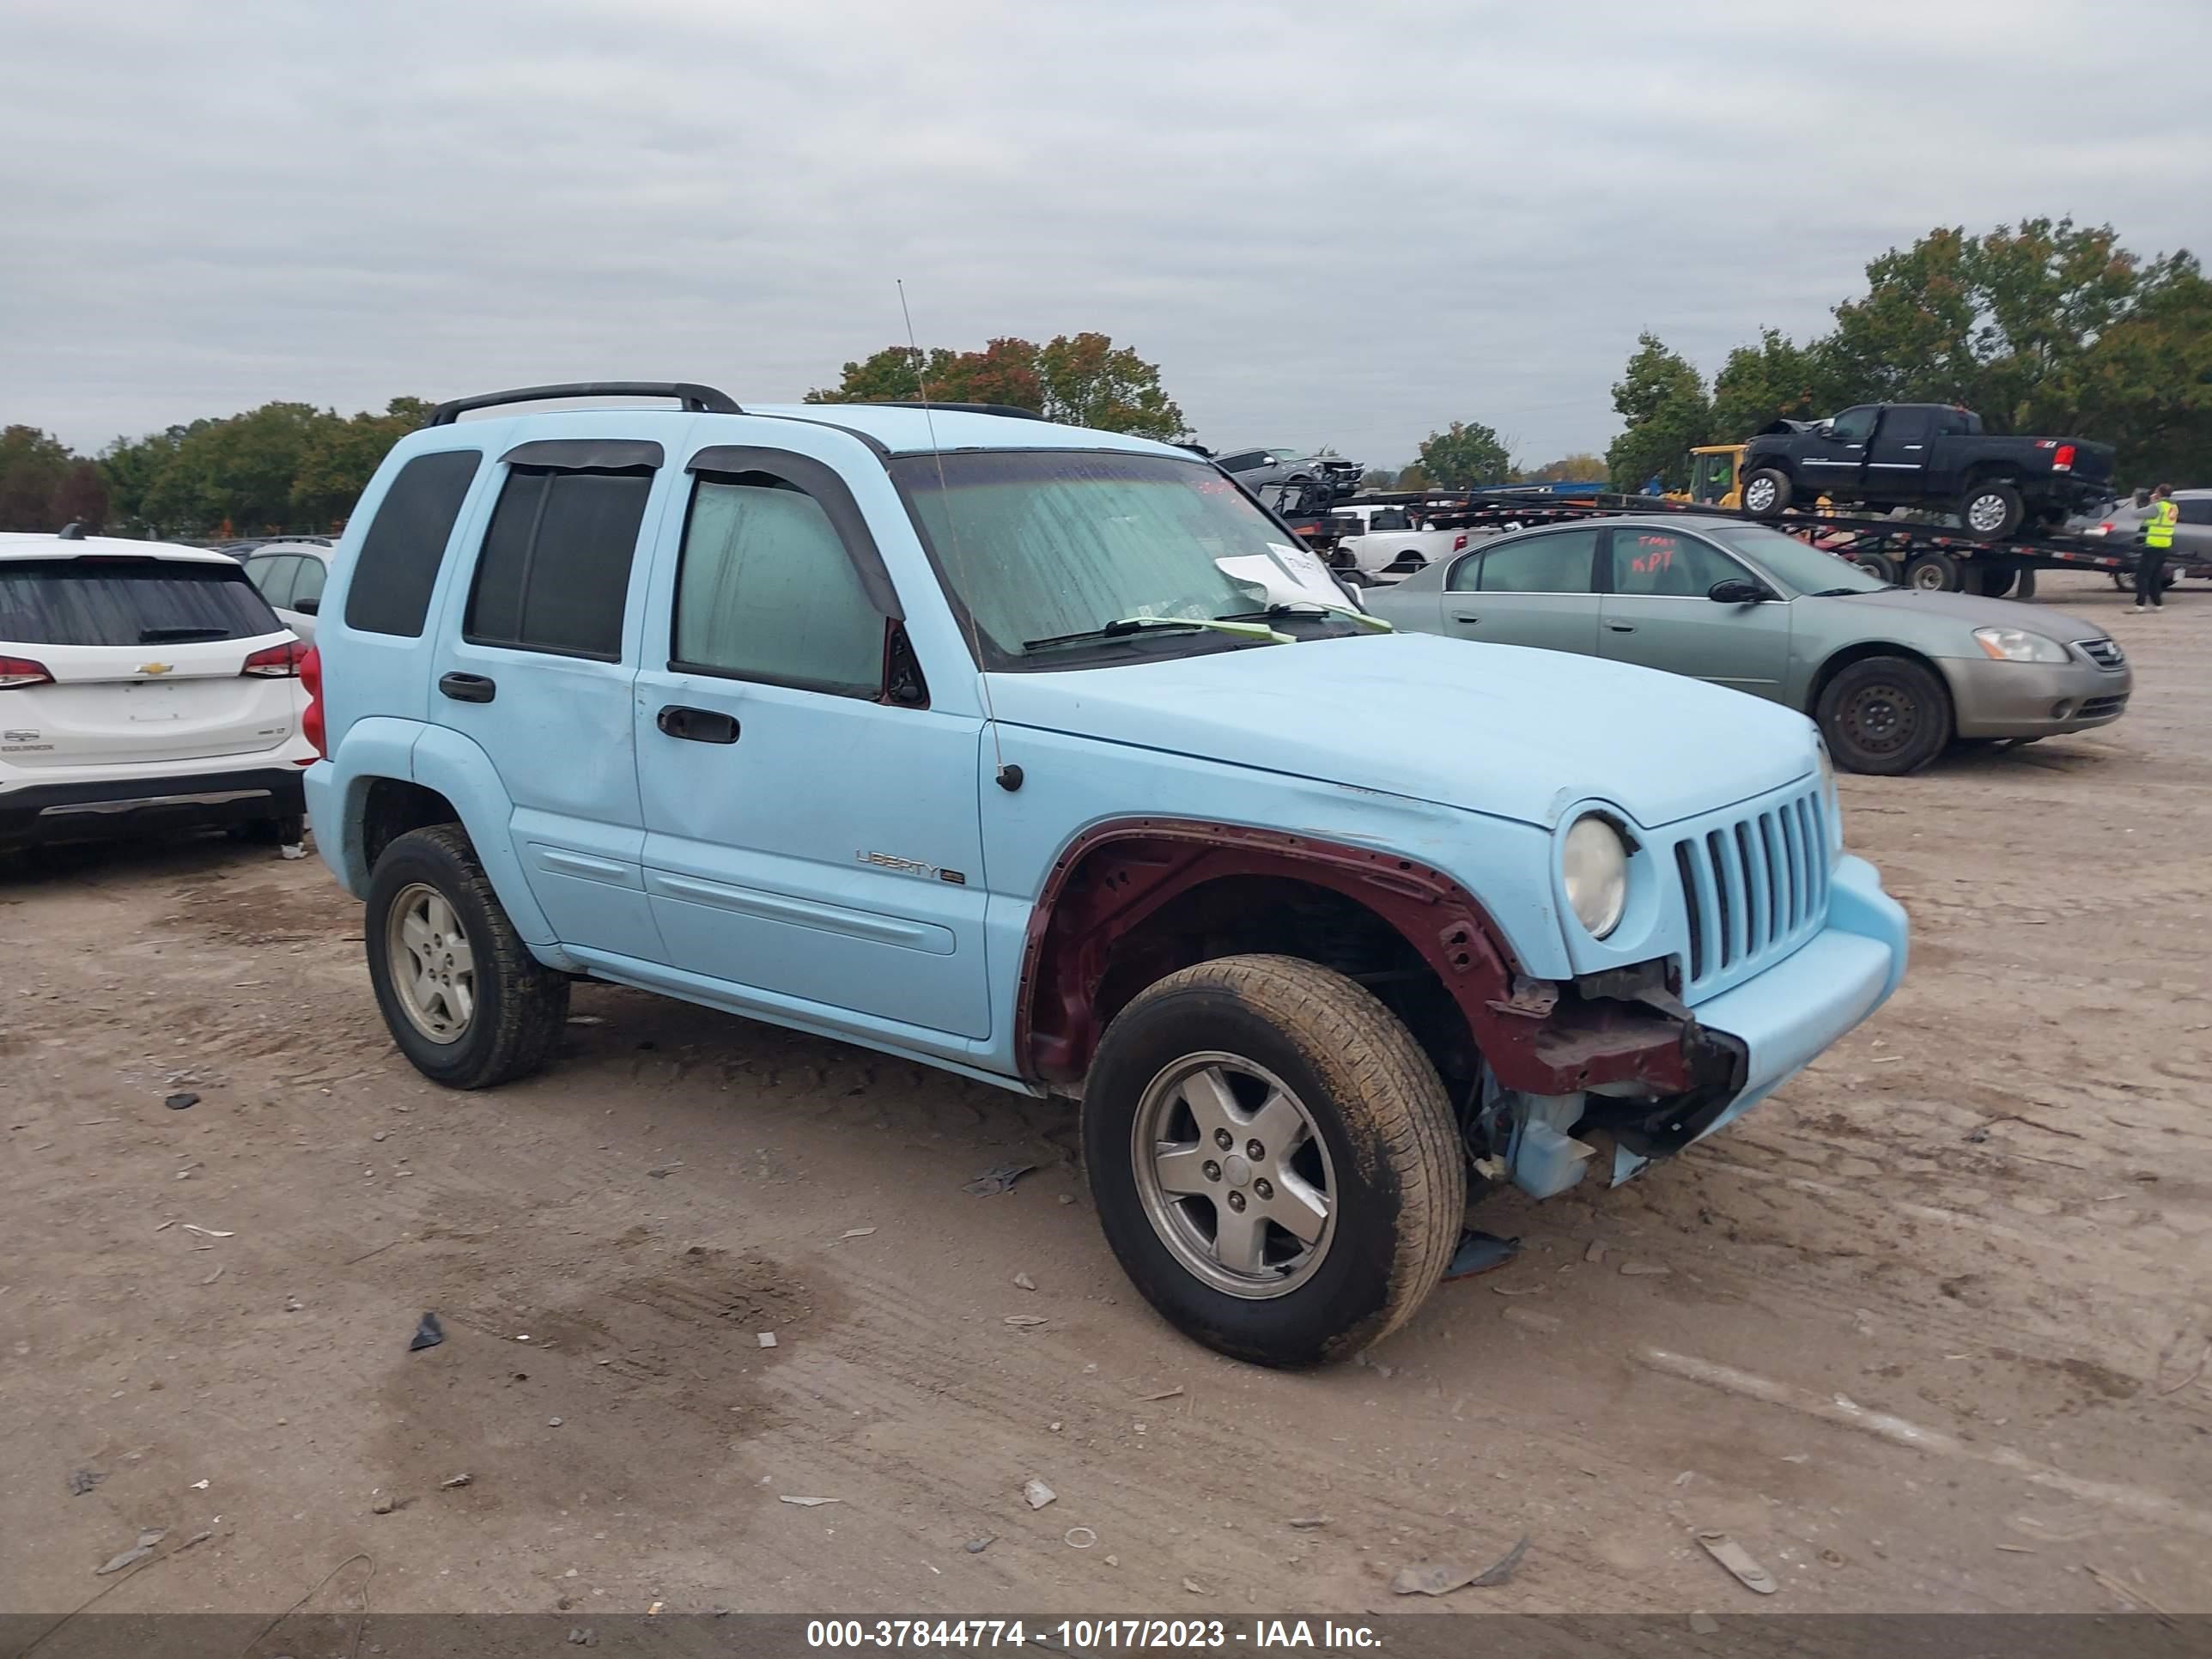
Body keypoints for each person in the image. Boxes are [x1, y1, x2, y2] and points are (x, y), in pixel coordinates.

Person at [2136, 483, 2179, 611]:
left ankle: (2140, 604)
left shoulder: (2158, 506)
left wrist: (2151, 502)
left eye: (2156, 491)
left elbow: (2136, 514)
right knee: (2155, 575)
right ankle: (2158, 604)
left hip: (2152, 544)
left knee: (2142, 575)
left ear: (2159, 493)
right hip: (2164, 544)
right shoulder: (2174, 507)